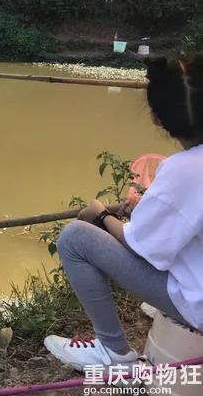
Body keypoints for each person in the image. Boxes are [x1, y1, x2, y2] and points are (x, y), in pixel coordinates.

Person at [45, 54, 203, 370]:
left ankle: (114, 353)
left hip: (198, 301)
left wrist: (103, 215)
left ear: (158, 118)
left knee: (75, 238)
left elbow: (138, 245)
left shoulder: (186, 170)